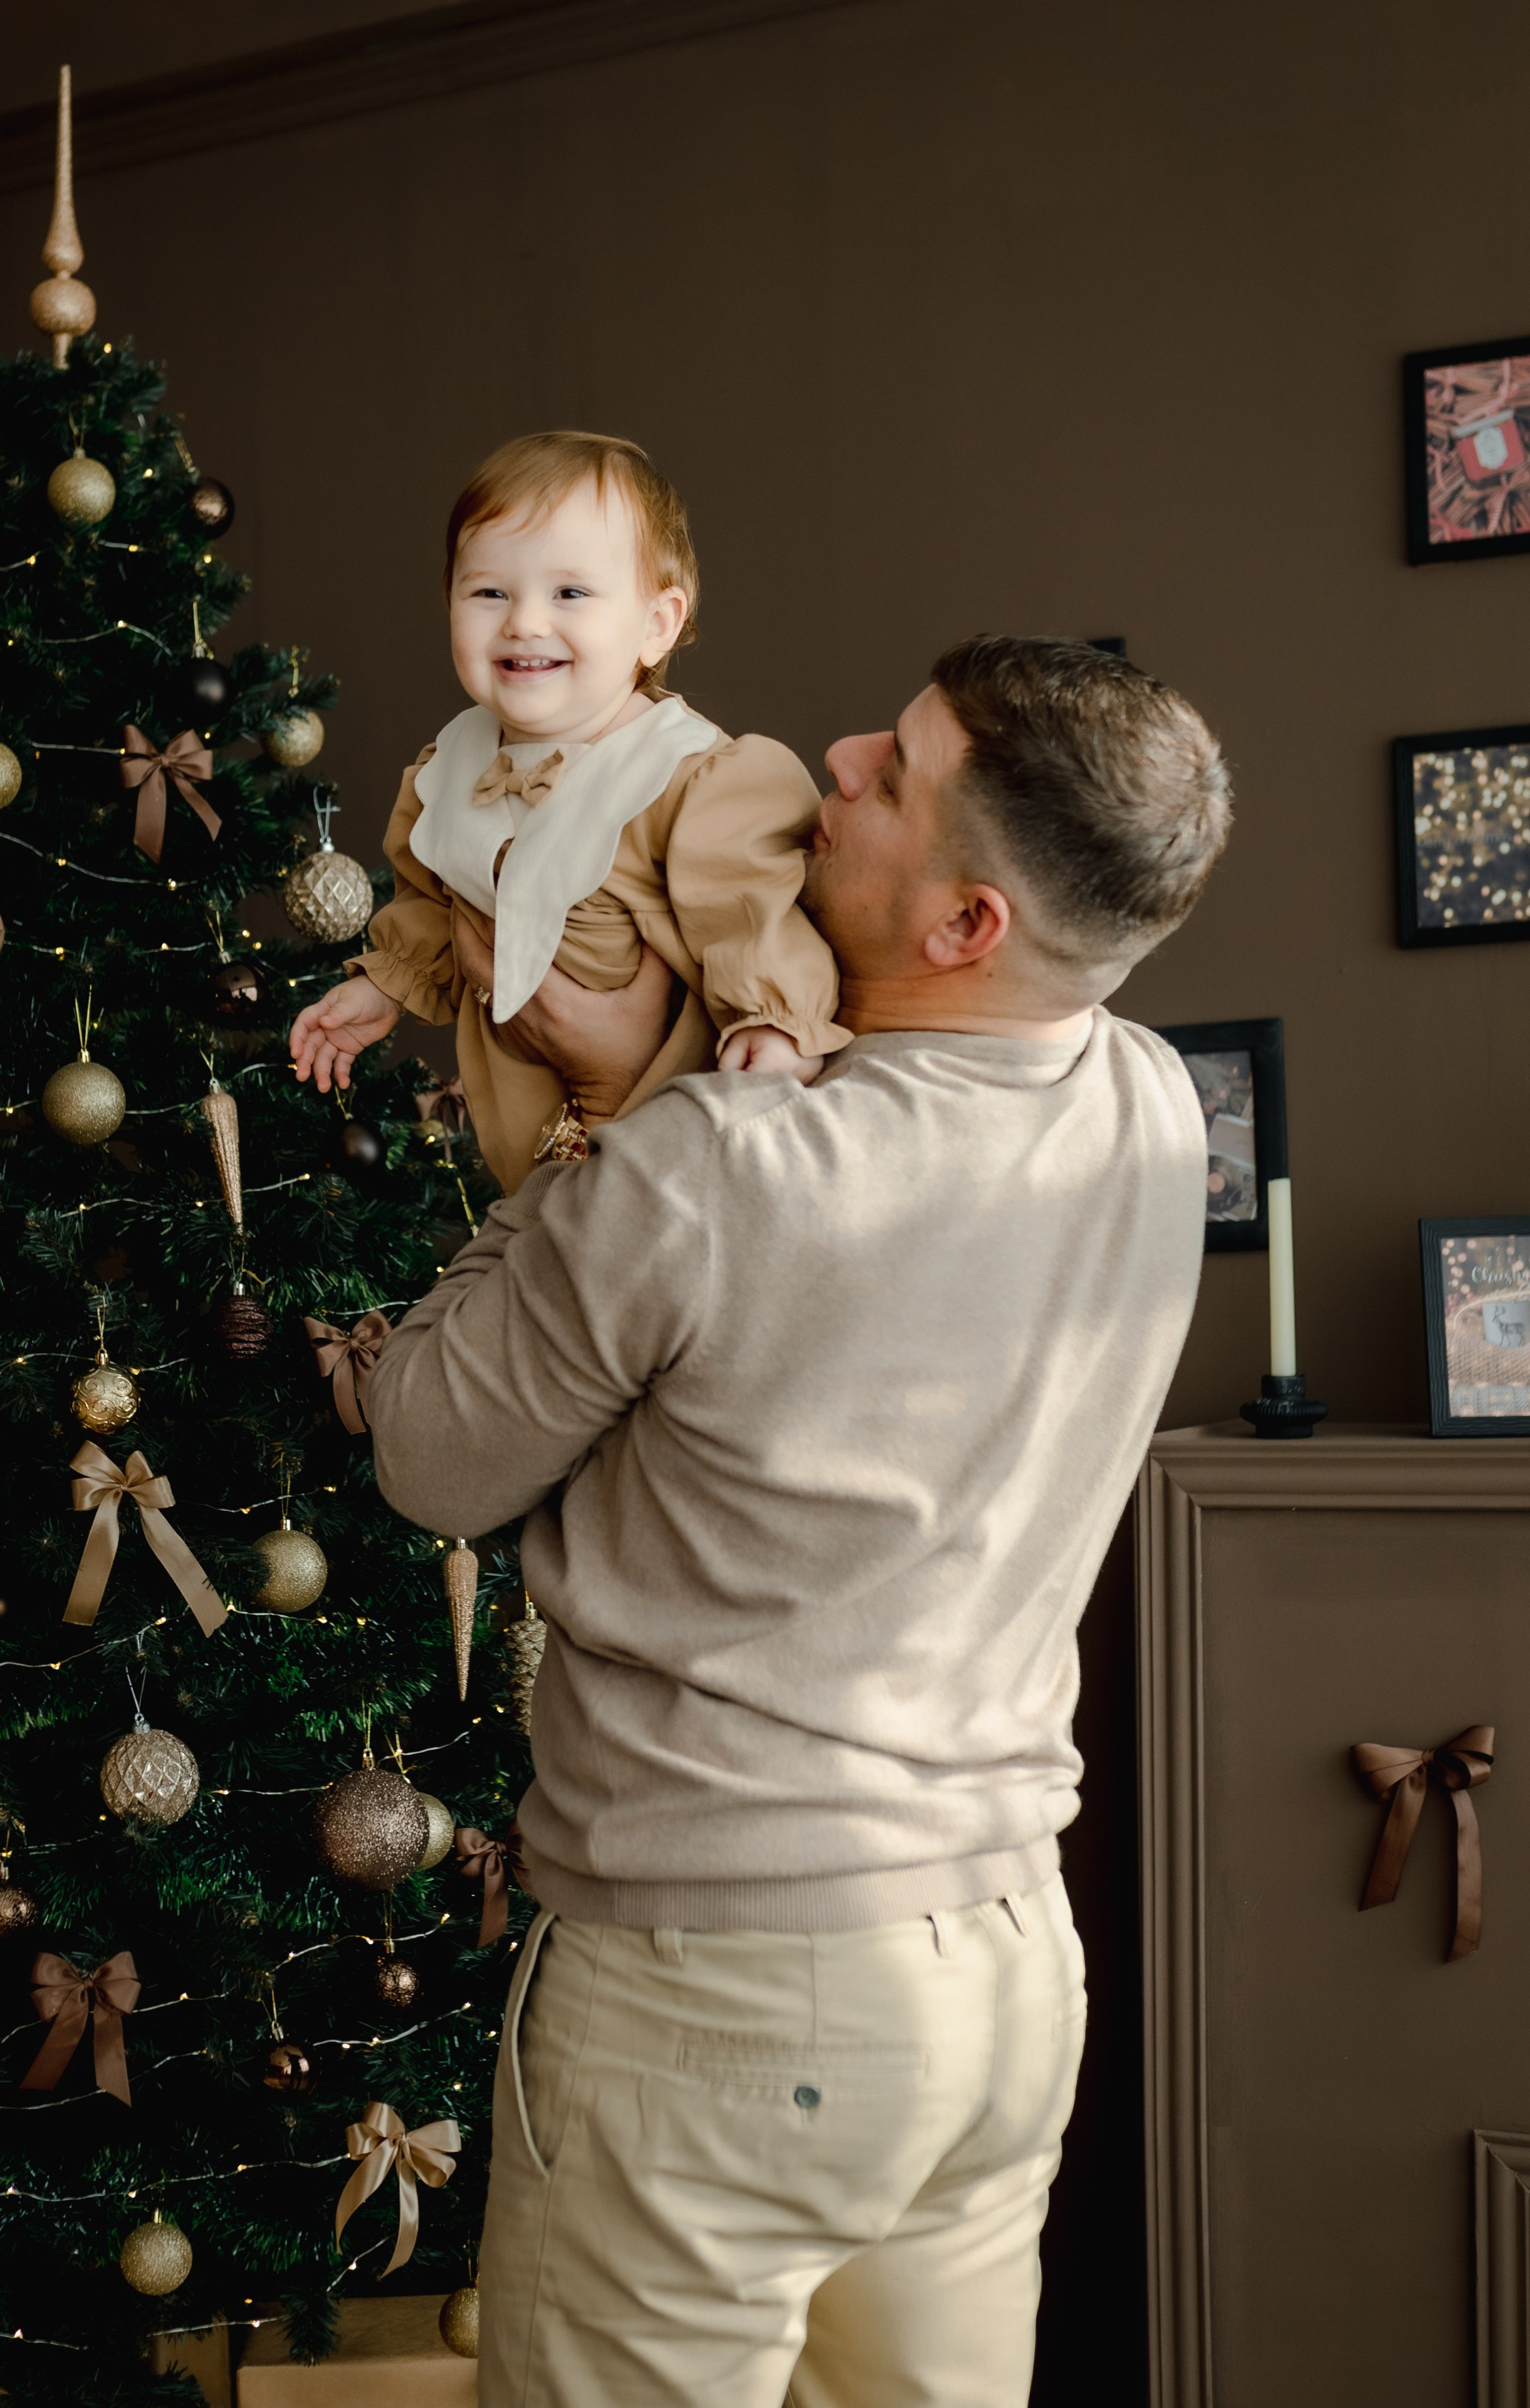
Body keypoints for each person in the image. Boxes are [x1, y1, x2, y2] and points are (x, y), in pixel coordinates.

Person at [368, 635, 1232, 2408]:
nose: (830, 761)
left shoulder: (710, 1170)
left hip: (724, 1987)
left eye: (890, 779)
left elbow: (429, 1456)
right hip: (1001, 1977)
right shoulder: (1150, 1106)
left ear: (967, 924)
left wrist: (597, 1114)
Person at [287, 430, 848, 1190]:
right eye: (489, 592)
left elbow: (755, 913)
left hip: (674, 1136)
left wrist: (774, 1023)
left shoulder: (689, 777)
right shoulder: (449, 768)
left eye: (570, 593)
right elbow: (433, 898)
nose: (523, 621)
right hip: (530, 1133)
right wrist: (388, 983)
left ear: (657, 624)